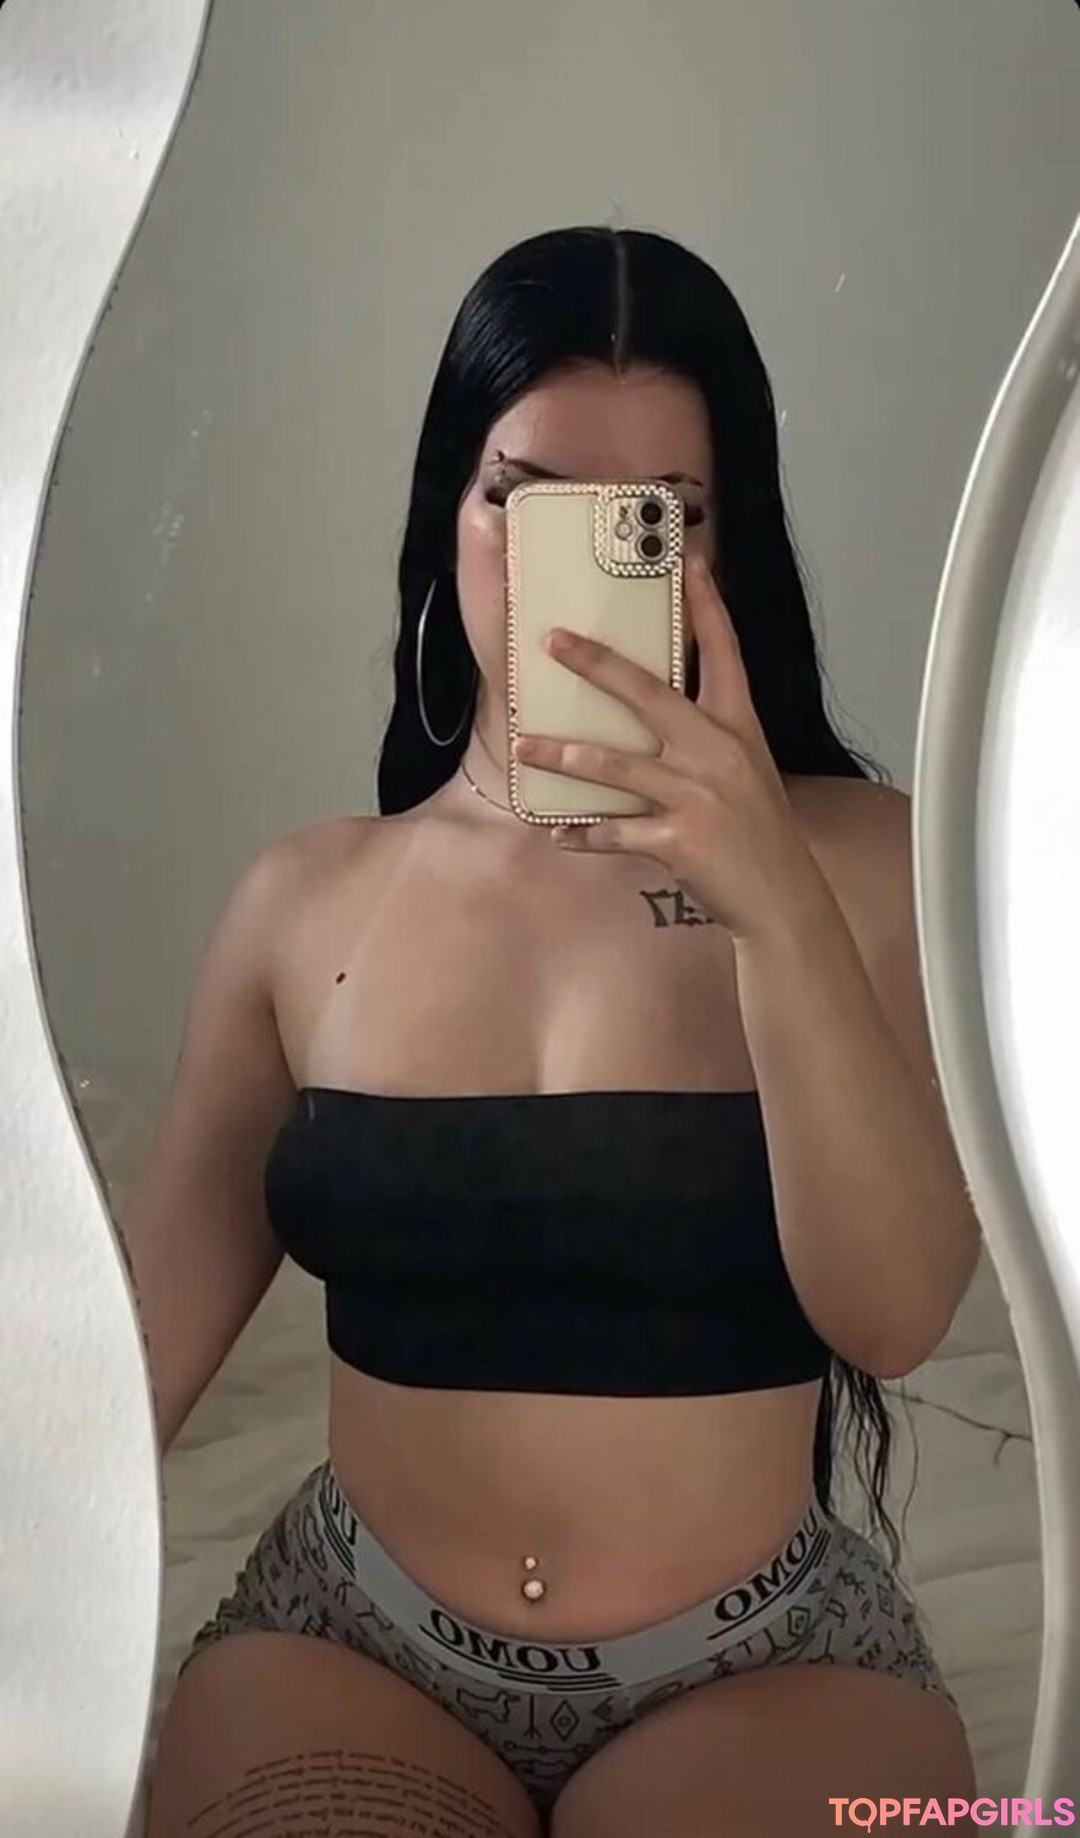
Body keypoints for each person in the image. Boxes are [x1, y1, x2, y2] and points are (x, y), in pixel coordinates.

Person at [132, 227, 981, 1838]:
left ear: (722, 546)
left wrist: (772, 904)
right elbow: (126, 1368)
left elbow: (895, 1312)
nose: (572, 569)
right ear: (445, 518)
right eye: (523, 500)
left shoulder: (870, 863)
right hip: (351, 1640)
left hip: (768, 1668)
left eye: (658, 517)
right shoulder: (302, 904)